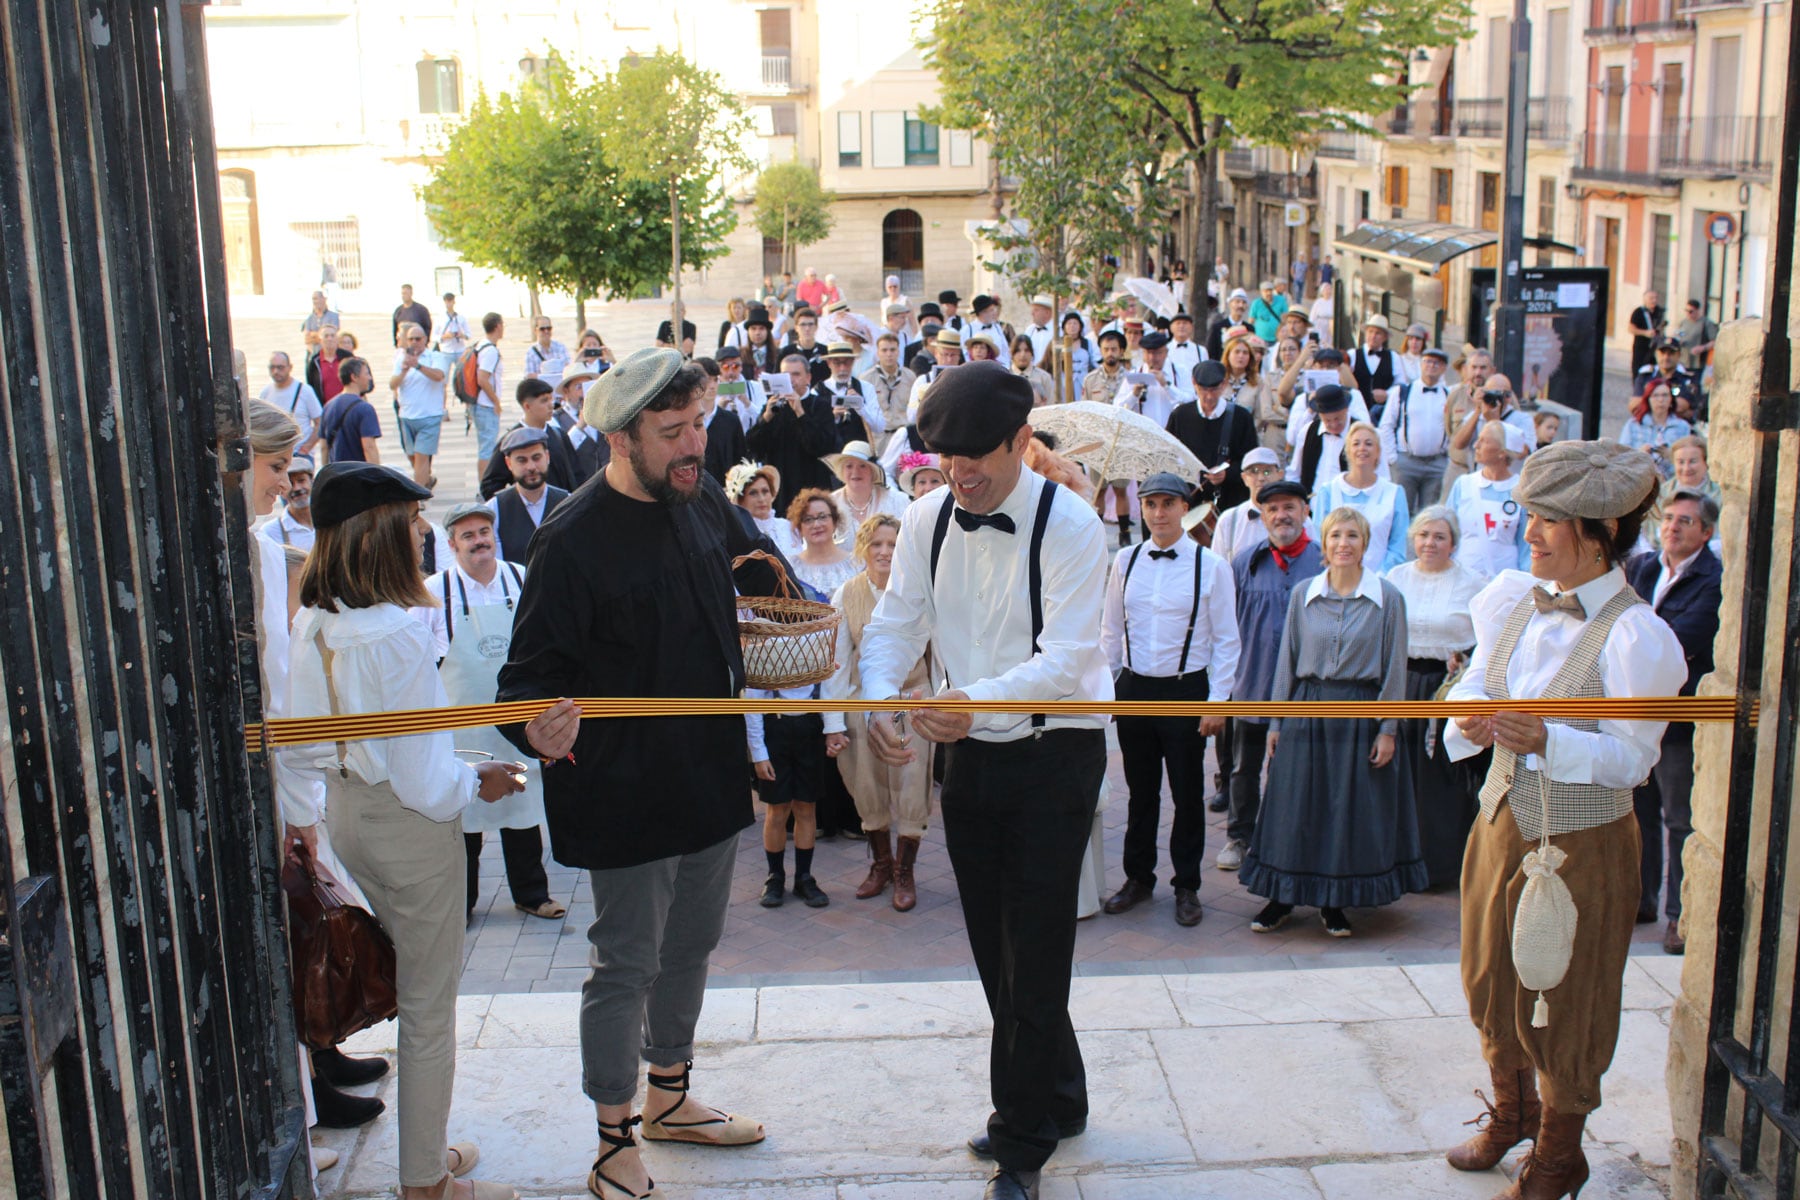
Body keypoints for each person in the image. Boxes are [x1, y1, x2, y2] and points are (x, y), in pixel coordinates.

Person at [497, 349, 770, 1200]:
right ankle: (614, 1138)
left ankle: (671, 1098)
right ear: (620, 438)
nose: (695, 446)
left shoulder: (701, 498)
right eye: (674, 432)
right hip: (622, 791)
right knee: (626, 963)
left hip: (708, 773)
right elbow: (524, 684)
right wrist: (536, 732)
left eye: (699, 426)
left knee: (692, 945)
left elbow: (763, 571)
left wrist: (771, 619)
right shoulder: (569, 538)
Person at [859, 360, 1111, 1200]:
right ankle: (1058, 1096)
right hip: (968, 757)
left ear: (1020, 441)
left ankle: (1023, 1145)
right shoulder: (928, 517)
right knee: (993, 948)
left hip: (1055, 756)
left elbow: (1069, 663)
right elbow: (899, 620)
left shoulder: (1076, 528)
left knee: (1035, 951)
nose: (961, 479)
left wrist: (969, 699)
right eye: (945, 464)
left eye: (978, 462)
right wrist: (882, 697)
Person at [1440, 439, 1685, 1200]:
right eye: (1531, 516)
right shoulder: (1514, 597)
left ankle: (1559, 1153)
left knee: (1566, 994)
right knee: (1489, 976)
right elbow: (1469, 687)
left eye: (1551, 520)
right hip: (1500, 820)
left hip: (1582, 839)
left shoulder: (1639, 637)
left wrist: (1551, 738)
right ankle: (1511, 1113)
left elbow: (1632, 762)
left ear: (1601, 533)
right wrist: (1472, 720)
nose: (1532, 532)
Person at [289, 462, 527, 1200]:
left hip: (349, 814)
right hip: (409, 827)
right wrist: (481, 779)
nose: (423, 533)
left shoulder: (315, 621)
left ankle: (427, 1148)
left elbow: (301, 743)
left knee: (419, 995)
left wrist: (304, 821)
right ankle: (423, 1179)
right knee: (428, 1008)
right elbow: (426, 782)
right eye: (411, 520)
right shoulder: (393, 633)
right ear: (383, 534)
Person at [1241, 505, 1420, 938]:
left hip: (1359, 712)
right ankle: (1282, 896)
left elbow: (1395, 668)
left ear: (1364, 544)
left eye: (1352, 536)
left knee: (1345, 809)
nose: (1344, 544)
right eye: (1336, 535)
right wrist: (1277, 723)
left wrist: (1387, 729)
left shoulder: (1388, 598)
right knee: (1293, 803)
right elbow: (1286, 661)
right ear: (1324, 542)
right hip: (1306, 706)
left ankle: (1334, 902)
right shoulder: (1304, 593)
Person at [412, 503, 566, 925]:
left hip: (515, 726)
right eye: (468, 535)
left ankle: (532, 894)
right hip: (462, 733)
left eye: (484, 531)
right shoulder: (431, 593)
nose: (479, 540)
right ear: (451, 544)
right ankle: (460, 905)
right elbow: (415, 662)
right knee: (463, 821)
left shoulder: (522, 579)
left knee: (522, 812)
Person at [1098, 473, 1239, 928]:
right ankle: (1138, 879)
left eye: (1167, 504)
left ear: (1184, 508)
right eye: (1150, 504)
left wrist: (1217, 701)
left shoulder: (1210, 564)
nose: (1159, 513)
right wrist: (1107, 690)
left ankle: (1187, 886)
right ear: (1140, 508)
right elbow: (1110, 631)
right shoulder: (1125, 560)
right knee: (1140, 793)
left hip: (1186, 688)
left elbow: (1227, 640)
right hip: (1135, 689)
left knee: (1187, 794)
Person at [1625, 489, 1722, 955]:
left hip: (1677, 718)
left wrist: (1630, 645)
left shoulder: (1712, 579)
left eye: (1686, 521)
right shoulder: (1642, 568)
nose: (1674, 526)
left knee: (1678, 818)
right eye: (1669, 518)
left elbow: (1679, 643)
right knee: (1637, 813)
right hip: (1636, 712)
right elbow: (1609, 624)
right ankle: (1640, 900)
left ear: (1706, 532)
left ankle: (1678, 915)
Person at [822, 514, 935, 911]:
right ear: (863, 549)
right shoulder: (845, 595)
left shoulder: (920, 593)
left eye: (893, 544)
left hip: (914, 706)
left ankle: (906, 870)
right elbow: (836, 664)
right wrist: (833, 724)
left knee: (911, 784)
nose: (885, 551)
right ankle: (881, 865)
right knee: (866, 787)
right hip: (861, 708)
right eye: (877, 544)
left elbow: (937, 658)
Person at [1218, 480, 1322, 871]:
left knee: (1293, 768)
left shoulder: (1323, 561)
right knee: (1244, 767)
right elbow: (1227, 625)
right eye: (1273, 509)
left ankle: (1285, 838)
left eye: (1290, 507)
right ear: (1262, 517)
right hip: (1253, 683)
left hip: (1302, 692)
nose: (1282, 515)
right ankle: (1239, 837)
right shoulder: (1245, 562)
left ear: (1305, 511)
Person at [1386, 507, 1487, 886]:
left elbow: (1487, 640)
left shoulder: (1472, 584)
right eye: (1424, 535)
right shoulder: (1395, 578)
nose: (1430, 543)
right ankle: (1399, 860)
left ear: (1454, 543)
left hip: (1447, 689)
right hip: (1402, 682)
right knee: (1401, 774)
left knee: (1441, 777)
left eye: (1440, 536)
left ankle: (1441, 866)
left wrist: (1465, 664)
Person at [1312, 421, 1411, 572]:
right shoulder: (1328, 491)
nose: (1362, 448)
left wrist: (1377, 579)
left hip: (1379, 582)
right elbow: (1319, 542)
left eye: (1368, 443)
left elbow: (1398, 546)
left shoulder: (1394, 493)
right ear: (1347, 450)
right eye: (1356, 443)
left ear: (1378, 451)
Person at [748, 352, 838, 514]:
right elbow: (754, 447)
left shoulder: (821, 406)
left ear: (808, 378)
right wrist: (766, 417)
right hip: (781, 491)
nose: (791, 380)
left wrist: (800, 412)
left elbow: (820, 446)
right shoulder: (773, 407)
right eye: (785, 375)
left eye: (796, 374)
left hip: (812, 486)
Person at [1166, 361, 1259, 513]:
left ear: (1223, 384)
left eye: (1214, 389)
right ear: (1194, 383)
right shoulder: (1180, 415)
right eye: (1203, 389)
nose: (1209, 396)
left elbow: (1250, 460)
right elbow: (1169, 455)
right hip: (1190, 500)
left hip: (1230, 500)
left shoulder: (1241, 417)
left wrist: (1227, 474)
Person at [1447, 421, 1529, 578]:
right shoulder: (1464, 484)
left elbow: (1526, 545)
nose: (1476, 445)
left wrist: (1524, 581)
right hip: (1462, 575)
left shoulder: (1521, 490)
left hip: (1503, 580)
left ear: (1502, 452)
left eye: (1484, 441)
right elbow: (1447, 529)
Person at [479, 378, 582, 499]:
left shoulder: (559, 435)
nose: (551, 405)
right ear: (527, 406)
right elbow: (489, 486)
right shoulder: (510, 441)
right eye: (544, 401)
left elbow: (577, 475)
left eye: (551, 399)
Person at [1379, 346, 1453, 510]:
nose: (1431, 366)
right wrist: (1393, 458)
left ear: (1443, 368)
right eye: (1428, 361)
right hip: (1406, 462)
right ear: (1421, 364)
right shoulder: (1403, 391)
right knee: (1401, 510)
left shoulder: (1448, 395)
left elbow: (1453, 428)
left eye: (1437, 363)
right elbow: (1386, 425)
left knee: (1430, 513)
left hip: (1437, 464)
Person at [487, 426, 570, 566]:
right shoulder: (495, 509)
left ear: (547, 457)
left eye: (536, 458)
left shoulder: (568, 503)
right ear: (509, 463)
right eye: (522, 460)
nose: (531, 467)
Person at [391, 322, 447, 488]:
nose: (414, 342)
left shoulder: (436, 357)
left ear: (425, 339)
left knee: (421, 456)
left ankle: (419, 496)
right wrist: (403, 370)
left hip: (429, 415)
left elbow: (438, 376)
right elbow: (392, 384)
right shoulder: (401, 359)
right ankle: (426, 479)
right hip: (407, 415)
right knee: (412, 456)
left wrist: (418, 366)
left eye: (418, 338)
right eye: (410, 339)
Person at [824, 440, 908, 545]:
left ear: (873, 471)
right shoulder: (828, 504)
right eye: (849, 466)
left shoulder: (898, 501)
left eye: (862, 466)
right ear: (842, 470)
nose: (855, 472)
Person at [1209, 449, 1283, 565]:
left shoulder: (1295, 518)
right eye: (1254, 471)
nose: (1261, 478)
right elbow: (1217, 567)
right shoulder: (1229, 520)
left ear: (1279, 475)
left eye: (1267, 472)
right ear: (1244, 478)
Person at [786, 487, 860, 601]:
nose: (816, 524)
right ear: (800, 528)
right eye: (808, 519)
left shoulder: (856, 564)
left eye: (822, 517)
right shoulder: (790, 567)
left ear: (834, 522)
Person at [1286, 383, 1355, 495]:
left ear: (1346, 409)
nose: (1333, 424)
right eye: (1327, 420)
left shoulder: (1359, 433)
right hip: (1313, 504)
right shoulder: (1308, 431)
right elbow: (1294, 472)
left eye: (1338, 419)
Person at [813, 342, 883, 449]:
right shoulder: (817, 391)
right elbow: (813, 431)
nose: (842, 368)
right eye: (837, 363)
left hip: (858, 453)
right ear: (829, 363)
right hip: (828, 453)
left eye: (847, 363)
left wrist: (861, 407)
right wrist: (831, 417)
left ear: (853, 362)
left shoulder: (865, 387)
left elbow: (879, 427)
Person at [1620, 378, 1693, 472]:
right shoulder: (1633, 424)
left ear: (1671, 399)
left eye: (1665, 395)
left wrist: (1671, 455)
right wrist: (1639, 454)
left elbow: (1689, 458)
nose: (1660, 400)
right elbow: (1620, 456)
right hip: (1639, 476)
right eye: (1655, 395)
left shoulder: (1682, 427)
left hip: (1670, 480)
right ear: (1648, 400)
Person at [261, 351, 323, 458]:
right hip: (275, 455)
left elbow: (320, 422)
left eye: (280, 367)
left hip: (299, 454)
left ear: (290, 367)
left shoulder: (305, 391)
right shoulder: (266, 392)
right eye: (272, 367)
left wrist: (306, 448)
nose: (276, 371)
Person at [319, 357, 380, 464]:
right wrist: (379, 477)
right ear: (354, 377)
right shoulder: (365, 409)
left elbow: (324, 447)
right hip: (359, 473)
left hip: (337, 473)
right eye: (366, 374)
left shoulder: (328, 406)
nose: (369, 378)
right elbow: (369, 447)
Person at [863, 333, 917, 444]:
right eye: (884, 350)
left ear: (898, 351)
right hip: (879, 438)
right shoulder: (866, 379)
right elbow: (864, 414)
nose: (889, 354)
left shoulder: (910, 376)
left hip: (904, 436)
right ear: (877, 352)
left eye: (893, 350)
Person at [260, 453, 319, 553]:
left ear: (312, 482)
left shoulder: (331, 521)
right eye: (290, 483)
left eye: (301, 481)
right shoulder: (271, 533)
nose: (297, 488)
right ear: (281, 490)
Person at [472, 313, 506, 480]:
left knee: (485, 446)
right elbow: (482, 378)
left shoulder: (481, 345)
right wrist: (496, 401)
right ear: (498, 326)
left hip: (480, 404)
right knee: (487, 448)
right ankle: (484, 485)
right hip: (485, 405)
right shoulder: (490, 350)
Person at [1348, 314, 1398, 411]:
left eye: (1378, 333)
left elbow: (1400, 385)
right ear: (1365, 333)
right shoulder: (1352, 355)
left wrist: (1388, 394)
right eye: (1370, 332)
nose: (1373, 336)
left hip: (1383, 411)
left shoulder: (1394, 357)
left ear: (1385, 337)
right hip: (1356, 410)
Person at [307, 324, 353, 407]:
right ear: (320, 340)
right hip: (326, 409)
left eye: (332, 335)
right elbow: (311, 388)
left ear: (337, 339)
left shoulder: (348, 357)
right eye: (326, 336)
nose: (330, 339)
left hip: (349, 406)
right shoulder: (314, 362)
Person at [1010, 335, 1057, 406]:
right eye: (1018, 351)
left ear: (1032, 353)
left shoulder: (1044, 377)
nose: (1022, 355)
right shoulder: (1005, 377)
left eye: (1026, 350)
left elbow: (1051, 405)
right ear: (1012, 354)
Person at [524, 317, 570, 388]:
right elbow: (529, 378)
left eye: (549, 328)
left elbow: (568, 370)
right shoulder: (531, 353)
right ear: (535, 331)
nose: (546, 331)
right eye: (542, 329)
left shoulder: (561, 348)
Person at [1676, 299, 1718, 376]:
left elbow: (1714, 341)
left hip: (1698, 363)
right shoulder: (1683, 322)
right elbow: (1679, 335)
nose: (1688, 314)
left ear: (1697, 311)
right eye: (1686, 311)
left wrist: (1703, 348)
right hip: (1683, 361)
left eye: (1691, 311)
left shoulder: (1706, 323)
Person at [1628, 289, 1666, 375]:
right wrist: (1645, 333)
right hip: (1641, 348)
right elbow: (1631, 329)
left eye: (1656, 298)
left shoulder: (1659, 311)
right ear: (1645, 300)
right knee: (1639, 371)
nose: (1654, 300)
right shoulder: (1639, 312)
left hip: (1655, 348)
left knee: (1655, 372)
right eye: (1651, 298)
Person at [438, 293, 472, 360]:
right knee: (444, 370)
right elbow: (433, 336)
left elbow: (469, 334)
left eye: (450, 301)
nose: (448, 304)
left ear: (454, 302)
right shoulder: (440, 318)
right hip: (446, 350)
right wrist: (444, 336)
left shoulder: (461, 317)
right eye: (447, 301)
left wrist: (462, 335)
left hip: (460, 350)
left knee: (462, 370)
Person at [1309, 283, 1335, 347]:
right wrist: (1311, 326)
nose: (1327, 291)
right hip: (1320, 323)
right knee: (1321, 340)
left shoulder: (1333, 301)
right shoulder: (1318, 302)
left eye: (1329, 289)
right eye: (1325, 290)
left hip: (1330, 323)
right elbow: (1313, 315)